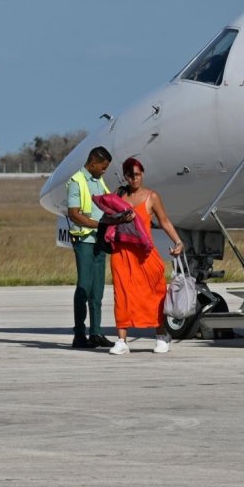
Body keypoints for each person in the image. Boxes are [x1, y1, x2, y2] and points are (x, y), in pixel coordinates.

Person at [108, 157, 184, 355]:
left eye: (138, 175)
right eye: (131, 175)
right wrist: (119, 217)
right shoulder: (119, 196)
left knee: (155, 293)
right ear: (124, 176)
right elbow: (106, 218)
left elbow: (164, 221)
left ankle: (160, 336)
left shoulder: (152, 196)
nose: (134, 179)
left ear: (142, 175)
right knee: (122, 296)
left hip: (145, 255)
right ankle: (122, 340)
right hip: (122, 254)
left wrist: (178, 241)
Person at [66, 146, 115, 349]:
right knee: (84, 286)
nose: (104, 171)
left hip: (100, 240)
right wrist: (99, 225)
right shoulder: (77, 181)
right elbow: (74, 214)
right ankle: (79, 334)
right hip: (85, 240)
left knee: (98, 290)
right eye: (102, 167)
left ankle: (96, 332)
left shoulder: (99, 181)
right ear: (93, 163)